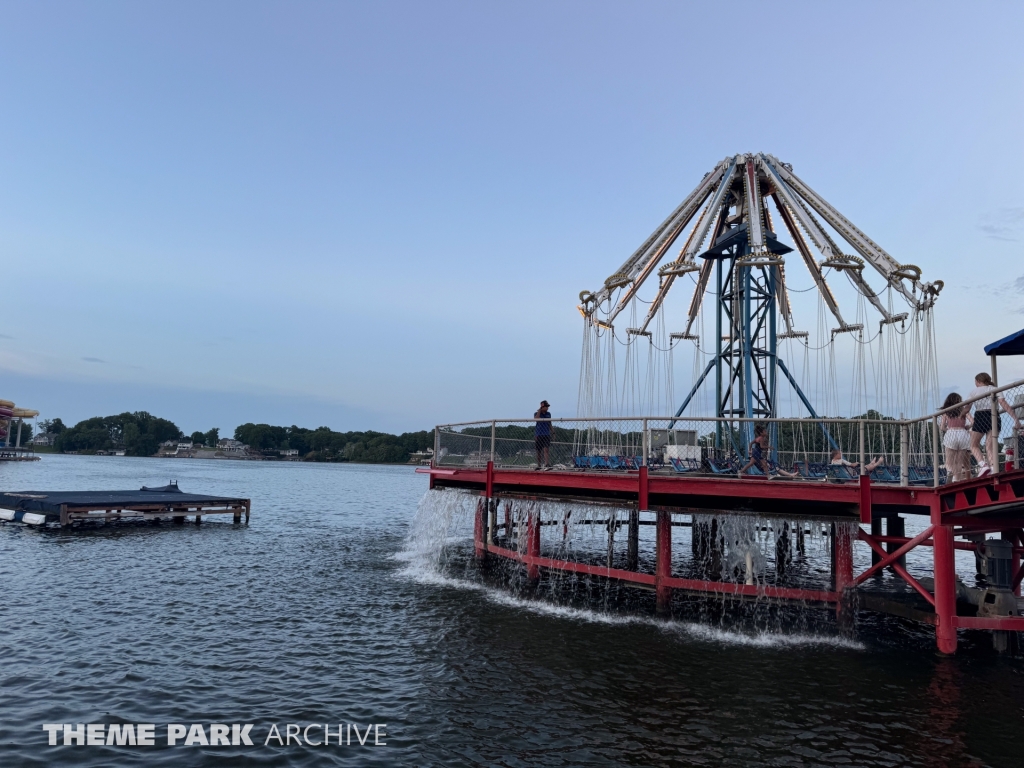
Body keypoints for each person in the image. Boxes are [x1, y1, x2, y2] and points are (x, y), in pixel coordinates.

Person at [966, 373, 1022, 477]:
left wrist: (961, 414)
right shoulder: (995, 389)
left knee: (973, 444)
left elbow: (967, 408)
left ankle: (983, 465)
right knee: (990, 445)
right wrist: (1016, 419)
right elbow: (1003, 403)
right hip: (994, 415)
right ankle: (992, 467)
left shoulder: (974, 392)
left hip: (980, 415)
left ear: (978, 381)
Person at [938, 392, 971, 482]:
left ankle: (949, 471)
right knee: (959, 461)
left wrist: (948, 429)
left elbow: (942, 427)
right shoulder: (963, 411)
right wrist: (966, 427)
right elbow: (973, 421)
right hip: (963, 434)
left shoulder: (946, 412)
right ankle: (956, 479)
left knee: (949, 460)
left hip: (951, 433)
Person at [534, 400, 552, 469]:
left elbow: (549, 423)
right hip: (539, 434)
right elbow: (536, 419)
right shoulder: (536, 413)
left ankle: (546, 464)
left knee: (546, 449)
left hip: (546, 434)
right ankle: (539, 465)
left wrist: (552, 431)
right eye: (546, 406)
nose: (547, 408)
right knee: (538, 451)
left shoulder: (548, 414)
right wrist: (539, 411)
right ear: (542, 407)